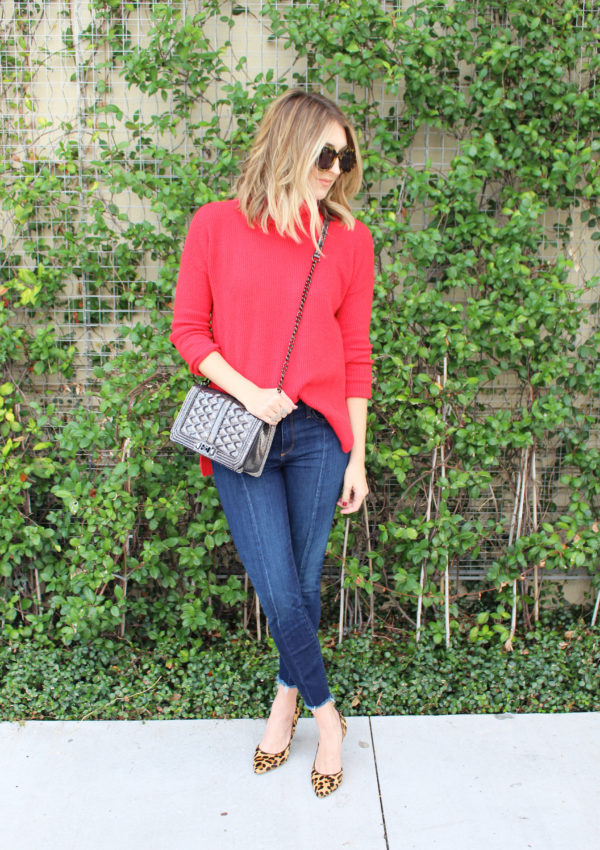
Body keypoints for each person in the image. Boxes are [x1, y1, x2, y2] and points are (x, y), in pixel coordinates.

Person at [169, 88, 374, 798]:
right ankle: (328, 715)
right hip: (240, 431)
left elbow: (356, 352)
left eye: (344, 157)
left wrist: (359, 454)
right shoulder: (216, 226)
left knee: (304, 582)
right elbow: (189, 331)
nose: (336, 168)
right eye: (325, 155)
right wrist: (250, 390)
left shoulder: (347, 238)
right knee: (278, 584)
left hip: (319, 435)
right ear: (289, 147)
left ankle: (284, 702)